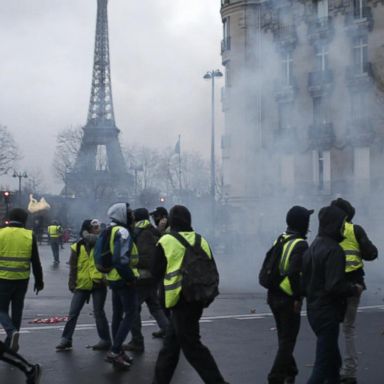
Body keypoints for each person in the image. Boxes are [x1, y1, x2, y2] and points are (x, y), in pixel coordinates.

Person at [151, 205, 228, 384]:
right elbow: (211, 268)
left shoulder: (166, 240)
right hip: (197, 298)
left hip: (179, 300)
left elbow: (155, 272)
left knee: (192, 347)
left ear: (171, 221)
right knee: (170, 347)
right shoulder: (201, 240)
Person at [302, 205, 364, 384]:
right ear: (334, 224)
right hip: (327, 312)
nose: (343, 228)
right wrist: (354, 289)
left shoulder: (313, 246)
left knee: (333, 361)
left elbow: (304, 283)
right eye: (341, 223)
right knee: (322, 365)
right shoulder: (334, 250)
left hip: (313, 310)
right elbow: (334, 285)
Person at [330, 198, 378, 384]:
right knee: (348, 329)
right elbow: (372, 253)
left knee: (331, 329)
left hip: (333, 287)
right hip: (354, 286)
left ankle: (330, 367)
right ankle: (349, 371)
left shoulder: (328, 232)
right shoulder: (355, 230)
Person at [267, 206, 313, 384]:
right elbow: (295, 273)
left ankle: (290, 371)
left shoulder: (281, 238)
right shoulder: (300, 244)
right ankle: (275, 377)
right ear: (303, 223)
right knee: (288, 341)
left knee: (283, 337)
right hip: (287, 299)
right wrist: (297, 297)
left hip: (273, 296)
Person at [56, 219, 112, 351]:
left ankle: (105, 340)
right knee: (73, 313)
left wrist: (105, 278)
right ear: (88, 229)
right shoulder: (78, 246)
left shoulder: (102, 243)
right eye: (95, 227)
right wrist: (72, 283)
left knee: (99, 313)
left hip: (98, 283)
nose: (98, 229)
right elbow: (73, 267)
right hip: (81, 284)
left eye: (98, 226)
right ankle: (66, 339)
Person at [124, 208, 169, 353]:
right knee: (155, 306)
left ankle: (137, 341)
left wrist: (131, 262)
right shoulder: (153, 231)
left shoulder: (142, 233)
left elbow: (146, 258)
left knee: (132, 308)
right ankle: (170, 334)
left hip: (144, 277)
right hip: (153, 276)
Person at [0, 208, 44, 352]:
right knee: (17, 311)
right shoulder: (29, 235)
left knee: (1, 309)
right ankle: (12, 344)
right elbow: (35, 261)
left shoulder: (1, 234)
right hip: (22, 280)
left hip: (3, 279)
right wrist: (39, 281)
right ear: (24, 220)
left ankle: (11, 333)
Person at [104, 203, 139, 370]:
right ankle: (116, 349)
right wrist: (130, 278)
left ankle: (117, 352)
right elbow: (120, 259)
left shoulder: (110, 230)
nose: (132, 216)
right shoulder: (123, 232)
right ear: (122, 215)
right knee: (131, 313)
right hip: (123, 279)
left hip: (112, 278)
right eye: (130, 213)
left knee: (117, 314)